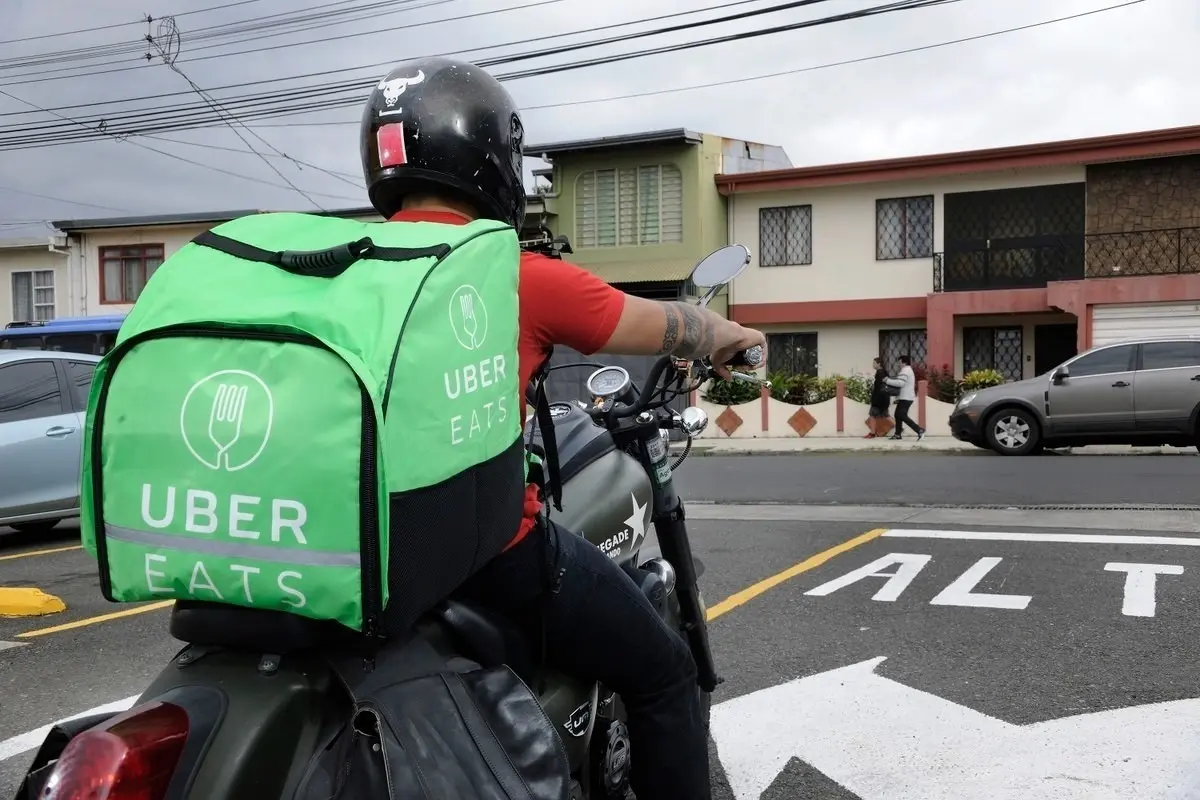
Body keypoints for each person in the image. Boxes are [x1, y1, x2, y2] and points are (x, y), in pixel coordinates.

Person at [360, 56, 766, 800]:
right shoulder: (512, 275)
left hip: (353, 547)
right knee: (664, 673)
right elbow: (665, 326)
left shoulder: (343, 271)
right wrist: (729, 333)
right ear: (492, 159)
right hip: (482, 557)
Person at [885, 354, 925, 440]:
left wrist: (887, 380)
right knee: (898, 415)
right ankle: (898, 434)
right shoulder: (907, 370)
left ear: (903, 362)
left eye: (899, 362)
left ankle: (919, 430)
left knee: (901, 415)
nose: (898, 364)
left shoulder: (905, 371)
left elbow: (900, 383)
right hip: (905, 397)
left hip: (906, 397)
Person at [865, 356, 893, 438]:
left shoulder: (880, 373)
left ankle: (872, 433)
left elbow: (879, 388)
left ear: (879, 364)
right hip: (884, 399)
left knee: (872, 415)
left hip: (879, 399)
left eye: (874, 363)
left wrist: (875, 399)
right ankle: (899, 427)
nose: (873, 365)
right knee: (885, 415)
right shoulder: (883, 372)